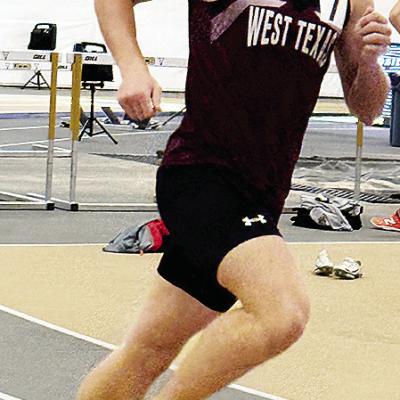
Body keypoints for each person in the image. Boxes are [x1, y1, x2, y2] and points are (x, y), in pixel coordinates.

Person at [77, 0, 391, 399]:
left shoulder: (349, 2)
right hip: (201, 174)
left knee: (147, 351)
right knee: (282, 315)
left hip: (262, 194)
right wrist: (133, 66)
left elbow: (368, 108)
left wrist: (367, 62)